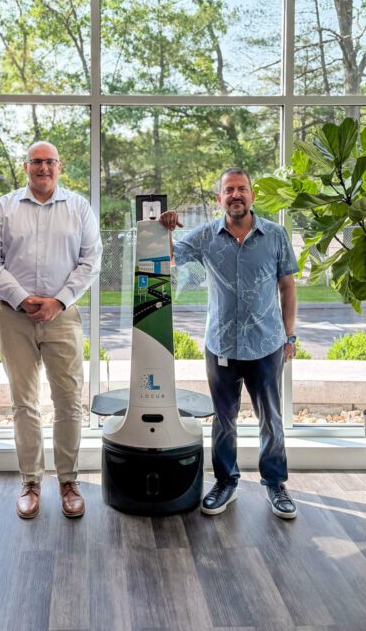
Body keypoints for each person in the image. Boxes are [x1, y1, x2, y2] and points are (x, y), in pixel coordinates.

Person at [159, 167, 299, 519]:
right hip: (220, 344)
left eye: (242, 189)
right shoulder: (206, 236)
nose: (236, 195)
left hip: (266, 344)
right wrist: (163, 228)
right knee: (224, 420)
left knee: (271, 418)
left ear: (252, 195)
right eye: (229, 190)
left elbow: (288, 287)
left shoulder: (276, 235)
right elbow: (171, 257)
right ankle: (226, 482)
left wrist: (290, 335)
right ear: (218, 198)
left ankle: (275, 484)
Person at [0, 141, 102, 520]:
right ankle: (31, 481)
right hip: (14, 317)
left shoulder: (79, 207)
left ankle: (69, 482)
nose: (43, 168)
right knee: (24, 403)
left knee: (68, 402)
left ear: (60, 166)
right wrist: (21, 298)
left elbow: (91, 260)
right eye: (36, 162)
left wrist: (58, 300)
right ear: (25, 167)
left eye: (50, 162)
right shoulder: (5, 206)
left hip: (62, 317)